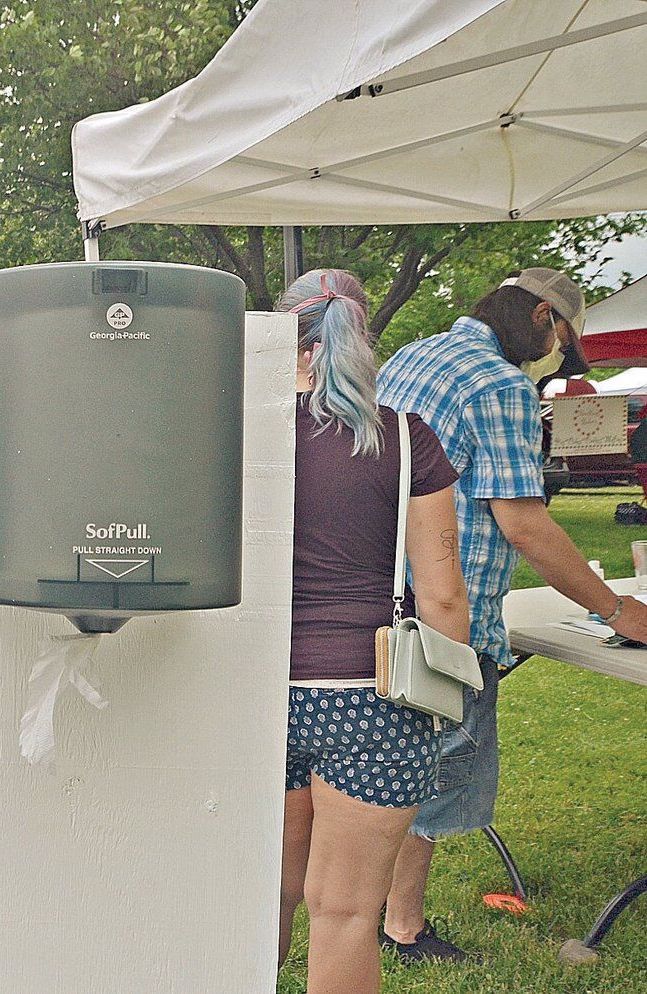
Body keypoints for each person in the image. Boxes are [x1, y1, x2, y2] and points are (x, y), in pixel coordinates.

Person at [376, 267, 647, 961]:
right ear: (540, 320)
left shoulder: (417, 352)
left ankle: (362, 902)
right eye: (563, 341)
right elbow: (523, 523)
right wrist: (617, 609)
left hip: (380, 592)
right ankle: (402, 927)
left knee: (385, 764)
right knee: (433, 775)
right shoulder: (500, 387)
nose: (559, 360)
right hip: (445, 613)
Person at [277, 270, 471, 994]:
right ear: (363, 337)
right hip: (374, 699)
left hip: (258, 691)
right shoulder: (404, 438)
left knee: (262, 893)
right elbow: (445, 596)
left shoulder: (236, 436)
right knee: (348, 914)